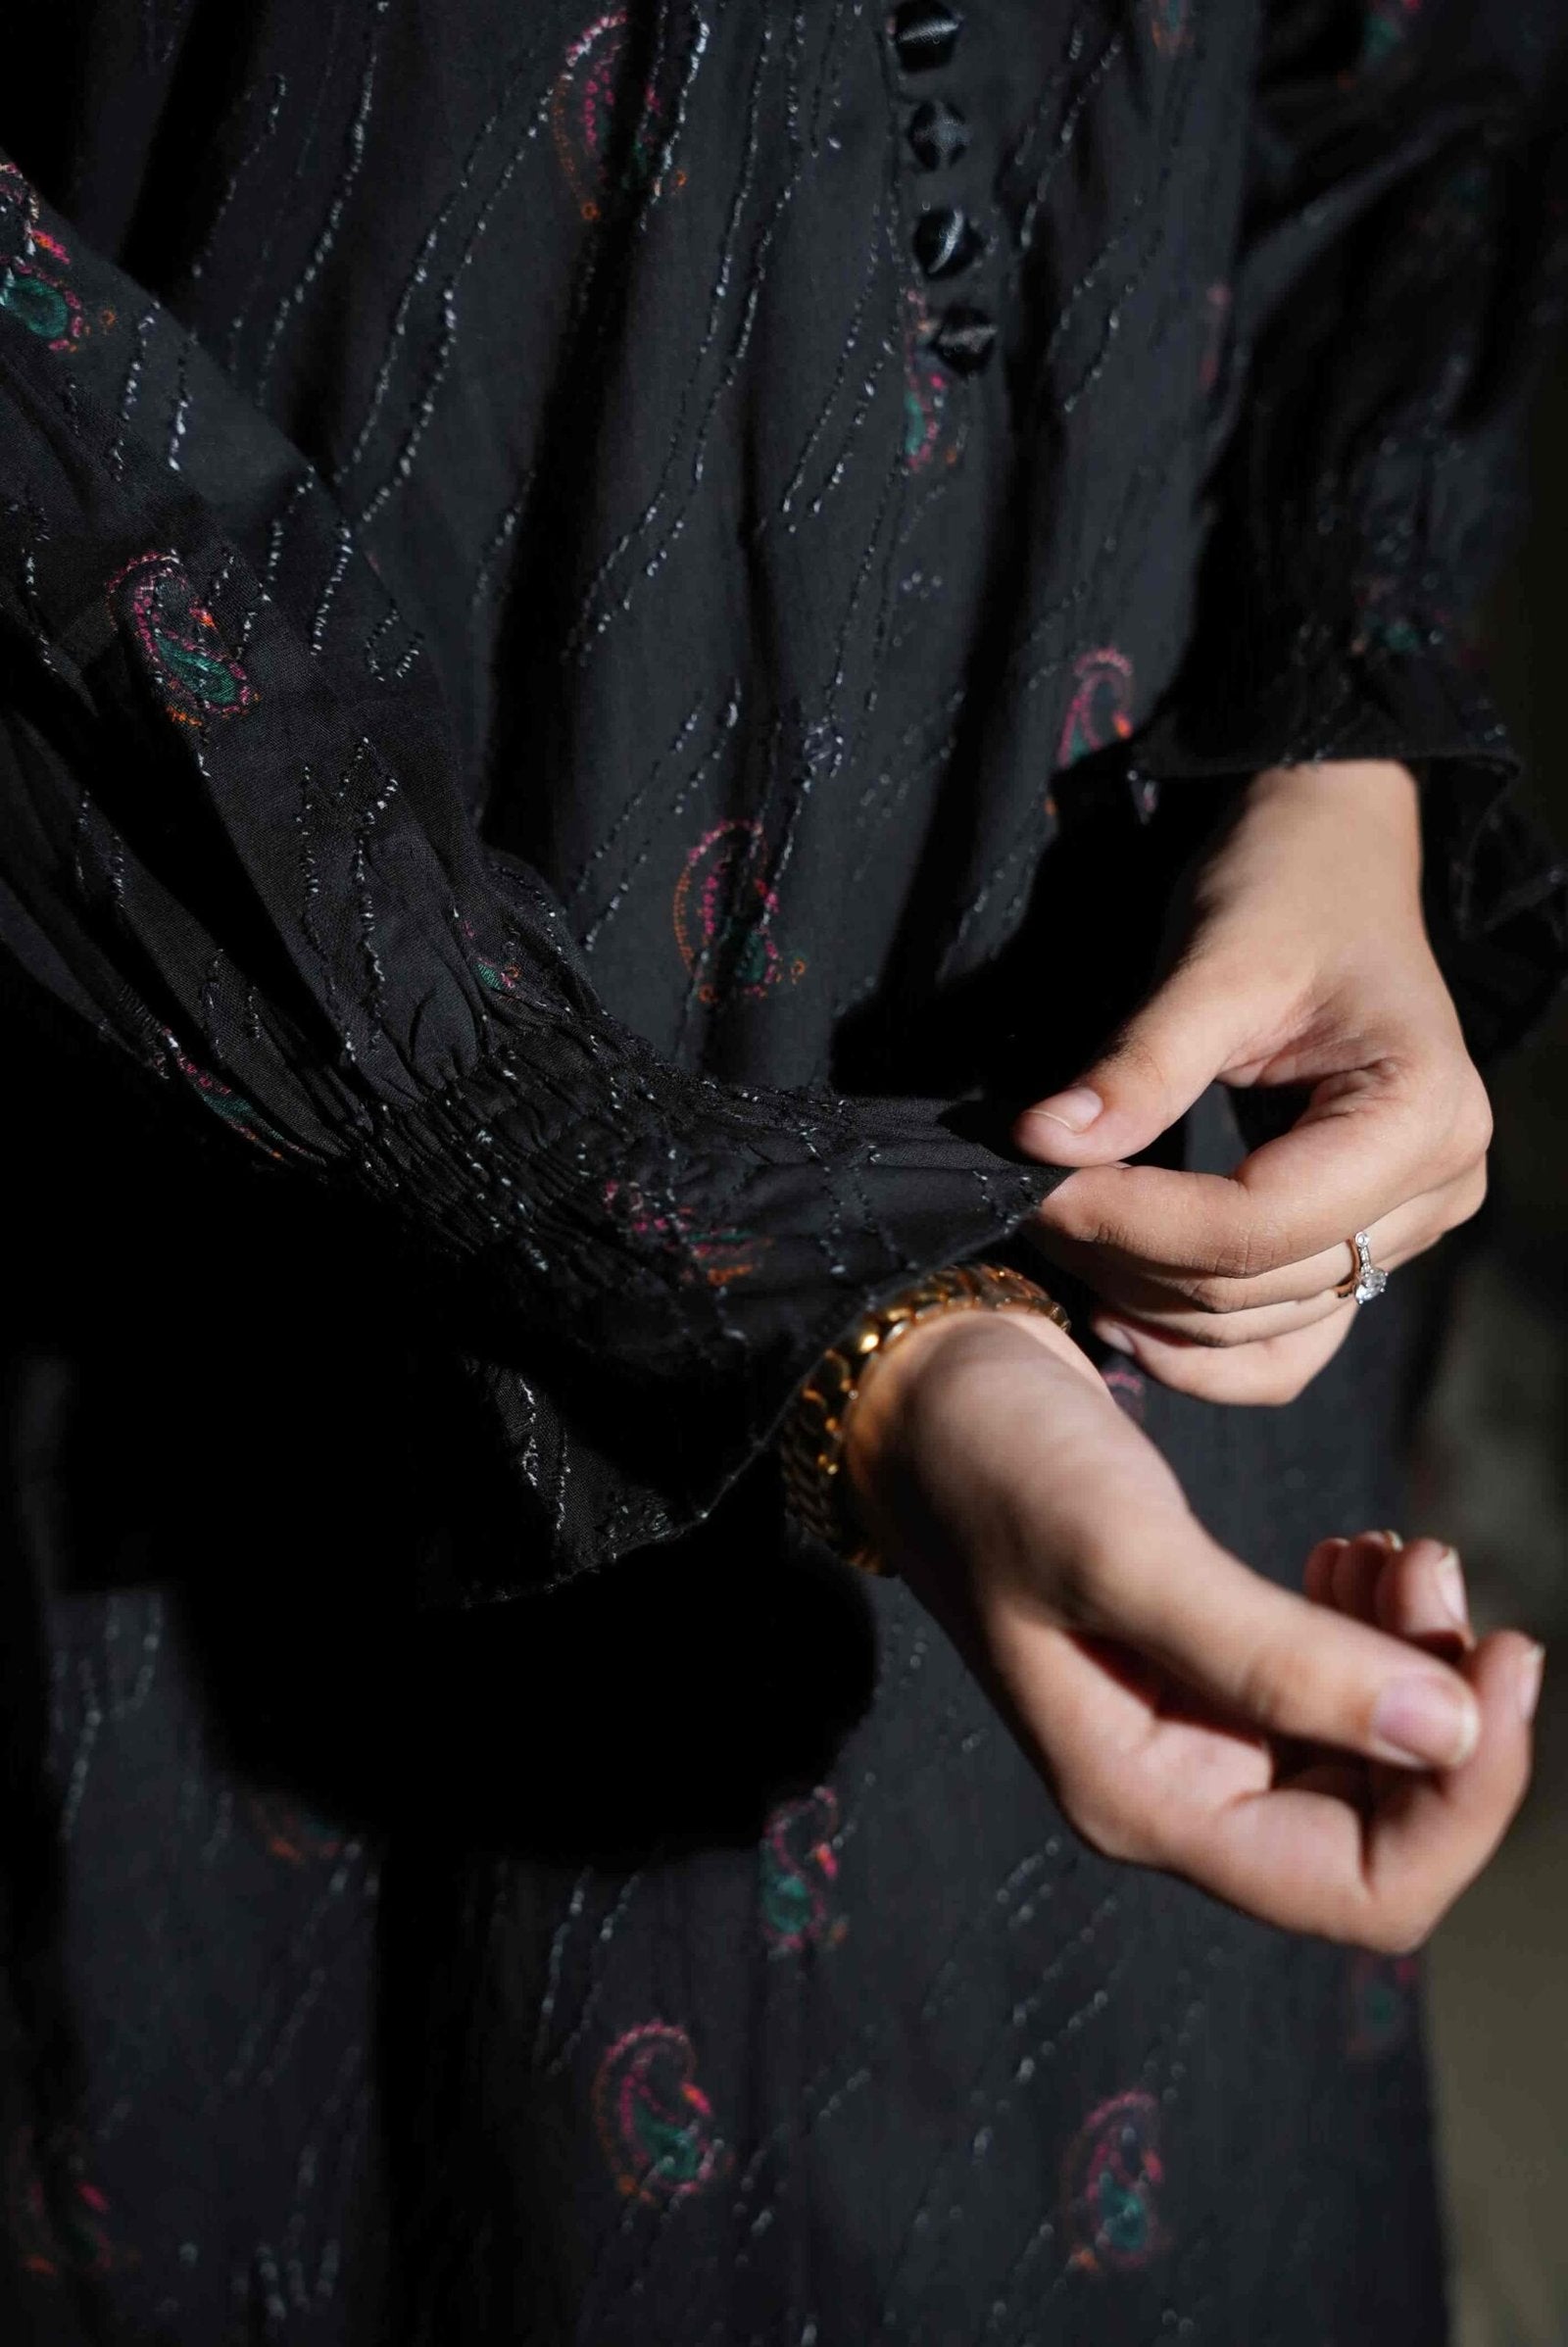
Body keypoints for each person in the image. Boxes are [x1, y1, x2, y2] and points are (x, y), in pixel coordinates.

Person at [0, 2, 1563, 2339]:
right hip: (253, 1263)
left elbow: (1408, 82)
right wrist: (758, 1280)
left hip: (1135, 1217)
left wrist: (1341, 741)